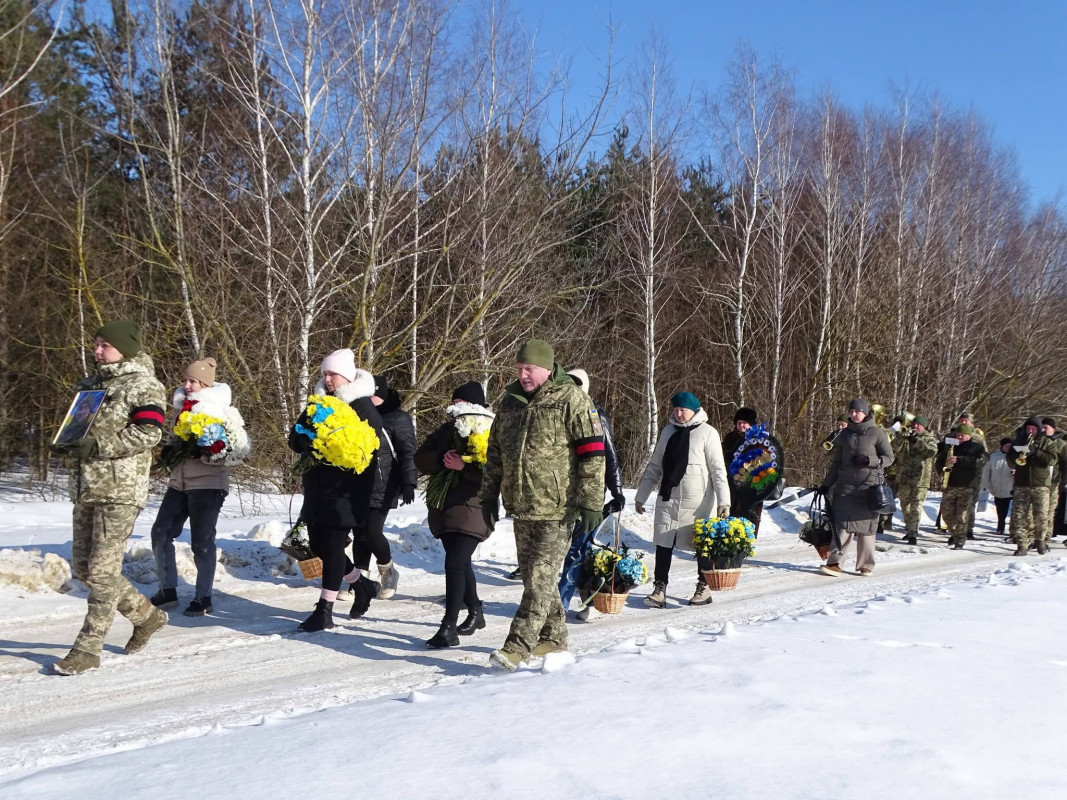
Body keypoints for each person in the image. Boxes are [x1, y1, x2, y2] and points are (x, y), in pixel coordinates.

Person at [49, 320, 168, 675]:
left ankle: (88, 648)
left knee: (102, 572)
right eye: (96, 344)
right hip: (86, 486)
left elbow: (150, 432)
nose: (97, 350)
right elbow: (80, 427)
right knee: (85, 568)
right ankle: (147, 617)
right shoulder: (90, 385)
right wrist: (68, 442)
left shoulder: (143, 385)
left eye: (105, 345)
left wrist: (98, 445)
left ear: (124, 349)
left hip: (120, 489)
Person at [480, 340, 605, 671]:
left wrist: (592, 500)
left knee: (538, 579)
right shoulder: (509, 404)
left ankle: (517, 646)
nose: (523, 375)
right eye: (519, 369)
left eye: (529, 369)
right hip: (522, 506)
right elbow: (495, 455)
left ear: (547, 369)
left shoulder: (571, 399)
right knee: (537, 581)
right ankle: (554, 638)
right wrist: (488, 495)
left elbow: (593, 451)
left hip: (559, 507)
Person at [288, 349, 385, 631]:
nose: (328, 379)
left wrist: (340, 447)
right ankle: (362, 584)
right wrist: (310, 443)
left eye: (333, 374)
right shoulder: (318, 404)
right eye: (325, 374)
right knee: (317, 545)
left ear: (347, 375)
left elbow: (372, 440)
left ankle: (324, 610)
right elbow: (294, 436)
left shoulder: (362, 404)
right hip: (318, 485)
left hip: (348, 488)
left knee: (331, 545)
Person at [151, 358, 249, 617]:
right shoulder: (181, 410)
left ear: (205, 384)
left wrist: (209, 451)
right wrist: (170, 451)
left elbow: (236, 450)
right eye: (185, 380)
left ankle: (203, 597)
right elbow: (174, 439)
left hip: (208, 484)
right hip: (178, 483)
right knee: (160, 532)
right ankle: (167, 590)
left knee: (202, 543)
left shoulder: (222, 412)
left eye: (192, 381)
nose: (186, 385)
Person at [414, 381, 494, 648]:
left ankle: (448, 627)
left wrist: (465, 466)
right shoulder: (447, 431)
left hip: (474, 509)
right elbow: (420, 459)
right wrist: (441, 459)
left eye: (462, 403)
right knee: (459, 562)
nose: (457, 408)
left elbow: (494, 475)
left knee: (455, 563)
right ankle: (475, 611)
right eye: (455, 403)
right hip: (446, 509)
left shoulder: (488, 434)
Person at [634, 391, 730, 607]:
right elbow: (655, 466)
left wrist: (724, 501)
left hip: (699, 503)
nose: (678, 414)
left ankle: (703, 587)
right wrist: (641, 496)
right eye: (675, 410)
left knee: (702, 544)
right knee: (663, 542)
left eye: (682, 410)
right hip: (668, 497)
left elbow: (718, 470)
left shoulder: (708, 433)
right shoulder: (668, 432)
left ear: (694, 410)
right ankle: (659, 589)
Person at [555, 367, 624, 621]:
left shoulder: (596, 416)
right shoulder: (559, 415)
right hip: (562, 495)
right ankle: (587, 600)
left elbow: (609, 455)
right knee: (574, 552)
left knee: (578, 550)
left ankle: (562, 605)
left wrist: (616, 489)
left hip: (590, 496)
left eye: (575, 385)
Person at [346, 374, 407, 616]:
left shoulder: (396, 418)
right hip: (358, 483)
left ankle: (388, 569)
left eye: (373, 395)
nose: (369, 400)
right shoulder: (355, 415)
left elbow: (407, 449)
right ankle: (360, 579)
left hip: (385, 484)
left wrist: (409, 481)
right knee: (359, 532)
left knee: (372, 530)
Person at [817, 397, 894, 577]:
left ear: (865, 413)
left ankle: (866, 565)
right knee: (841, 526)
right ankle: (835, 563)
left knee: (867, 528)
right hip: (845, 487)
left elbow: (889, 458)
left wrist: (870, 461)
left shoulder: (877, 433)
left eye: (857, 412)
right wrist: (826, 485)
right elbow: (836, 463)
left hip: (869, 487)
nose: (853, 414)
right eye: (851, 412)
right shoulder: (845, 435)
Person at [1008, 417, 1057, 556]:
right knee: (1019, 515)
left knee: (1041, 515)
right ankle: (1022, 544)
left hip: (1040, 485)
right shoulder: (1018, 441)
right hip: (1021, 484)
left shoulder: (1047, 442)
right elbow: (1010, 461)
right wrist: (1016, 453)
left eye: (1033, 429)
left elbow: (1052, 460)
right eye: (1028, 428)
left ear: (1039, 429)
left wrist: (1036, 452)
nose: (1030, 431)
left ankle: (1040, 540)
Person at [934, 424, 987, 549]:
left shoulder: (977, 447)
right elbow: (940, 460)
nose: (959, 437)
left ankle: (960, 539)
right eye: (958, 435)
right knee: (946, 512)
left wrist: (960, 460)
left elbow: (981, 461)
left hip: (967, 485)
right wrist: (941, 471)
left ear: (969, 436)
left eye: (962, 435)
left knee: (962, 514)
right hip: (951, 484)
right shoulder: (951, 447)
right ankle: (955, 533)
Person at [721, 406, 770, 536]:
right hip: (731, 483)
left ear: (751, 424)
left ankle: (745, 543)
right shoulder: (730, 438)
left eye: (744, 422)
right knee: (730, 513)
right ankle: (728, 543)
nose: (741, 425)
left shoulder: (759, 438)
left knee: (748, 515)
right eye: (739, 422)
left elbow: (764, 459)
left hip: (752, 484)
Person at [892, 415, 939, 545]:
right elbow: (893, 448)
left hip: (920, 480)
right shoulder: (906, 436)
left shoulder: (929, 438)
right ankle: (909, 529)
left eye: (918, 425)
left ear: (924, 426)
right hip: (904, 477)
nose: (915, 427)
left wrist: (916, 441)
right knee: (904, 505)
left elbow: (931, 452)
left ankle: (913, 534)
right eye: (914, 424)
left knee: (916, 506)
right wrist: (901, 437)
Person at [1039, 418, 1067, 546]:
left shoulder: (1060, 443)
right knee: (1039, 510)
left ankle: (1046, 537)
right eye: (1042, 427)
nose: (1043, 430)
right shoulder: (1036, 441)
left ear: (1053, 429)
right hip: (1037, 481)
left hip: (1054, 481)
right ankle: (1036, 536)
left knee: (1049, 510)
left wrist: (1064, 480)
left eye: (1046, 428)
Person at [981, 438, 1015, 538]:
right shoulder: (994, 456)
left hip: (1011, 487)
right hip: (997, 487)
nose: (1008, 448)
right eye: (1006, 446)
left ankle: (1013, 528)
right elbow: (987, 471)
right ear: (1002, 447)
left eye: (1010, 446)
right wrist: (985, 484)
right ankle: (1000, 525)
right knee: (1000, 508)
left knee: (1013, 509)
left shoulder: (1015, 456)